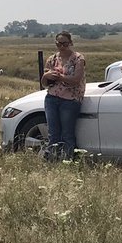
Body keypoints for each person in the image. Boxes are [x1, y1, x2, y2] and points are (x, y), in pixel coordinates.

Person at [40, 31, 86, 159]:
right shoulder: (52, 59)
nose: (61, 46)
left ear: (70, 43)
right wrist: (46, 76)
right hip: (52, 98)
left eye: (64, 44)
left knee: (67, 133)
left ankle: (69, 158)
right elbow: (44, 83)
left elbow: (76, 79)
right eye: (59, 43)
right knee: (53, 132)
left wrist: (59, 77)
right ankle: (52, 158)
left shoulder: (78, 58)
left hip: (70, 99)